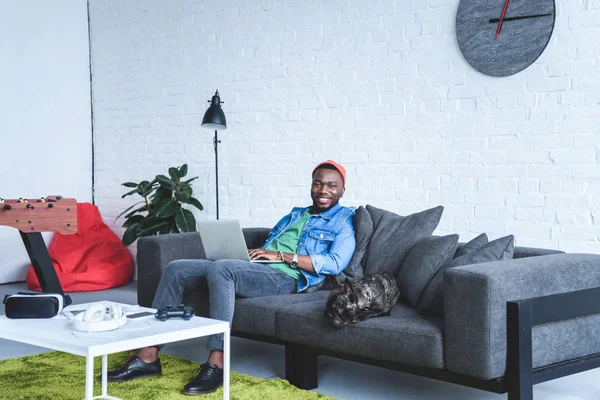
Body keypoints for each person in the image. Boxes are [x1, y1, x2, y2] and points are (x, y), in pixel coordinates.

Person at [105, 160, 356, 395]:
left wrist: (279, 255)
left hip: (287, 276)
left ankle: (218, 361)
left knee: (222, 268)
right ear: (311, 185)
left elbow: (334, 264)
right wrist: (245, 255)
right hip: (258, 266)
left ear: (342, 190)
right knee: (177, 267)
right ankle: (148, 355)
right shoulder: (296, 213)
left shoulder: (345, 220)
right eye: (318, 183)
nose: (323, 190)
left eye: (331, 186)